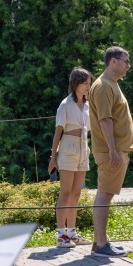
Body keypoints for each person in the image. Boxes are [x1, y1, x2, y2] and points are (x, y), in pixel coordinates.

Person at [89, 46, 133, 257]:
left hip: (115, 151)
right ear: (113, 61)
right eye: (126, 61)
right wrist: (113, 150)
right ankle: (101, 245)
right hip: (110, 153)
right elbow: (104, 120)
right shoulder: (104, 86)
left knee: (105, 194)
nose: (128, 66)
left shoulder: (111, 84)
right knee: (104, 195)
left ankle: (100, 242)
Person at [48, 67, 93, 248]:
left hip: (83, 147)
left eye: (89, 83)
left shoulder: (89, 105)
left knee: (76, 192)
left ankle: (72, 233)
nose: (89, 86)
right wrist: (53, 157)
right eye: (85, 83)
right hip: (68, 147)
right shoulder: (65, 105)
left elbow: (91, 128)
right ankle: (61, 236)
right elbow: (58, 131)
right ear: (76, 84)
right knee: (65, 192)